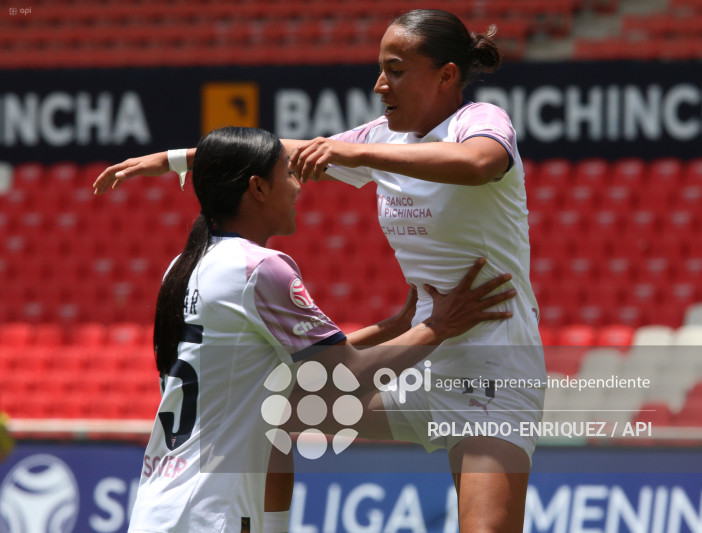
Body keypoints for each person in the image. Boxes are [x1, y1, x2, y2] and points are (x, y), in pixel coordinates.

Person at [95, 9, 545, 532]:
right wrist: (179, 159)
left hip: (492, 365)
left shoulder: (480, 121)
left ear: (446, 75)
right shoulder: (383, 139)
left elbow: (479, 164)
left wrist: (358, 153)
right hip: (421, 356)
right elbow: (274, 155)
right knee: (274, 413)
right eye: (380, 69)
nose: (380, 84)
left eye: (395, 70)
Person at [124, 126, 517, 533]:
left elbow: (280, 366)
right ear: (257, 188)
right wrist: (438, 326)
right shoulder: (260, 268)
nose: (298, 186)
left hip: (158, 504)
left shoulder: (183, 267)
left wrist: (396, 326)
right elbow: (344, 376)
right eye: (287, 174)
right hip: (210, 510)